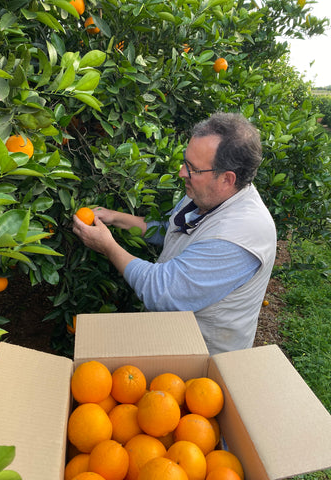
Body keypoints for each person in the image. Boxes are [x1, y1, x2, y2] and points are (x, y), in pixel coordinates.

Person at [72, 112, 277, 355]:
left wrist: (107, 246)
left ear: (227, 179)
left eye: (192, 168)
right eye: (184, 162)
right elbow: (174, 230)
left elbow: (161, 291)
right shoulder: (209, 194)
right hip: (172, 338)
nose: (182, 173)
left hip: (204, 362)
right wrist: (116, 218)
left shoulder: (240, 234)